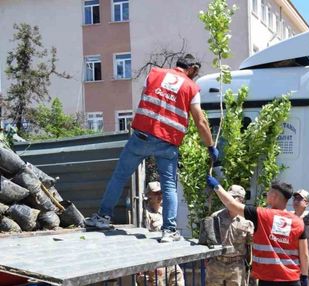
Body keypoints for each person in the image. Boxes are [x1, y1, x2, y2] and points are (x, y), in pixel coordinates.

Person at [84, 54, 218, 243]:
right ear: (192, 69)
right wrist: (210, 145)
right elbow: (200, 120)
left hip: (141, 136)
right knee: (169, 185)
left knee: (119, 176)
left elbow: (145, 99)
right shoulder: (191, 87)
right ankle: (169, 231)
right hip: (167, 142)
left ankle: (103, 217)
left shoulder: (154, 74)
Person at [137, 181, 188, 286]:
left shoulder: (166, 212)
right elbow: (142, 241)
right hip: (155, 262)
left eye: (161, 193)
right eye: (156, 193)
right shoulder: (144, 214)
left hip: (171, 259)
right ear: (148, 196)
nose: (160, 196)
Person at [204, 185, 254, 286]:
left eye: (235, 198)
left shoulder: (247, 221)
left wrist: (250, 266)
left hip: (237, 266)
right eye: (229, 196)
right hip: (216, 264)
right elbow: (207, 242)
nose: (231, 200)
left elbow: (250, 247)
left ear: (241, 200)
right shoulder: (216, 217)